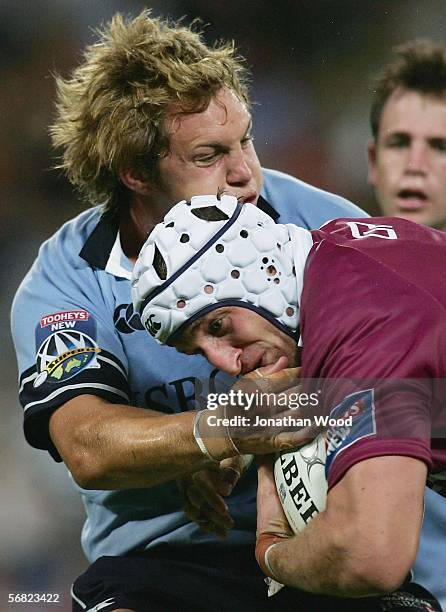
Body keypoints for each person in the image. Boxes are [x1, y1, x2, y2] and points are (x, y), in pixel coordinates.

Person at [10, 9, 367, 612]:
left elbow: (411, 382)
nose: (246, 174)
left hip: (325, 546)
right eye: (209, 155)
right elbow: (89, 448)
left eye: (246, 139)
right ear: (135, 173)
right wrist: (217, 432)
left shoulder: (323, 225)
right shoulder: (66, 284)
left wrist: (261, 424)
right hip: (161, 565)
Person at [132, 194, 446, 610]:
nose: (227, 363)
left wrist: (271, 554)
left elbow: (372, 556)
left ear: (258, 272)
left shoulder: (365, 322)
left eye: (219, 325)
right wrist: (238, 444)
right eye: (200, 352)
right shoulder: (337, 251)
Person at [367, 39, 446, 231]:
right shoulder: (315, 258)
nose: (414, 165)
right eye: (399, 144)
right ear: (373, 162)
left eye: (440, 147)